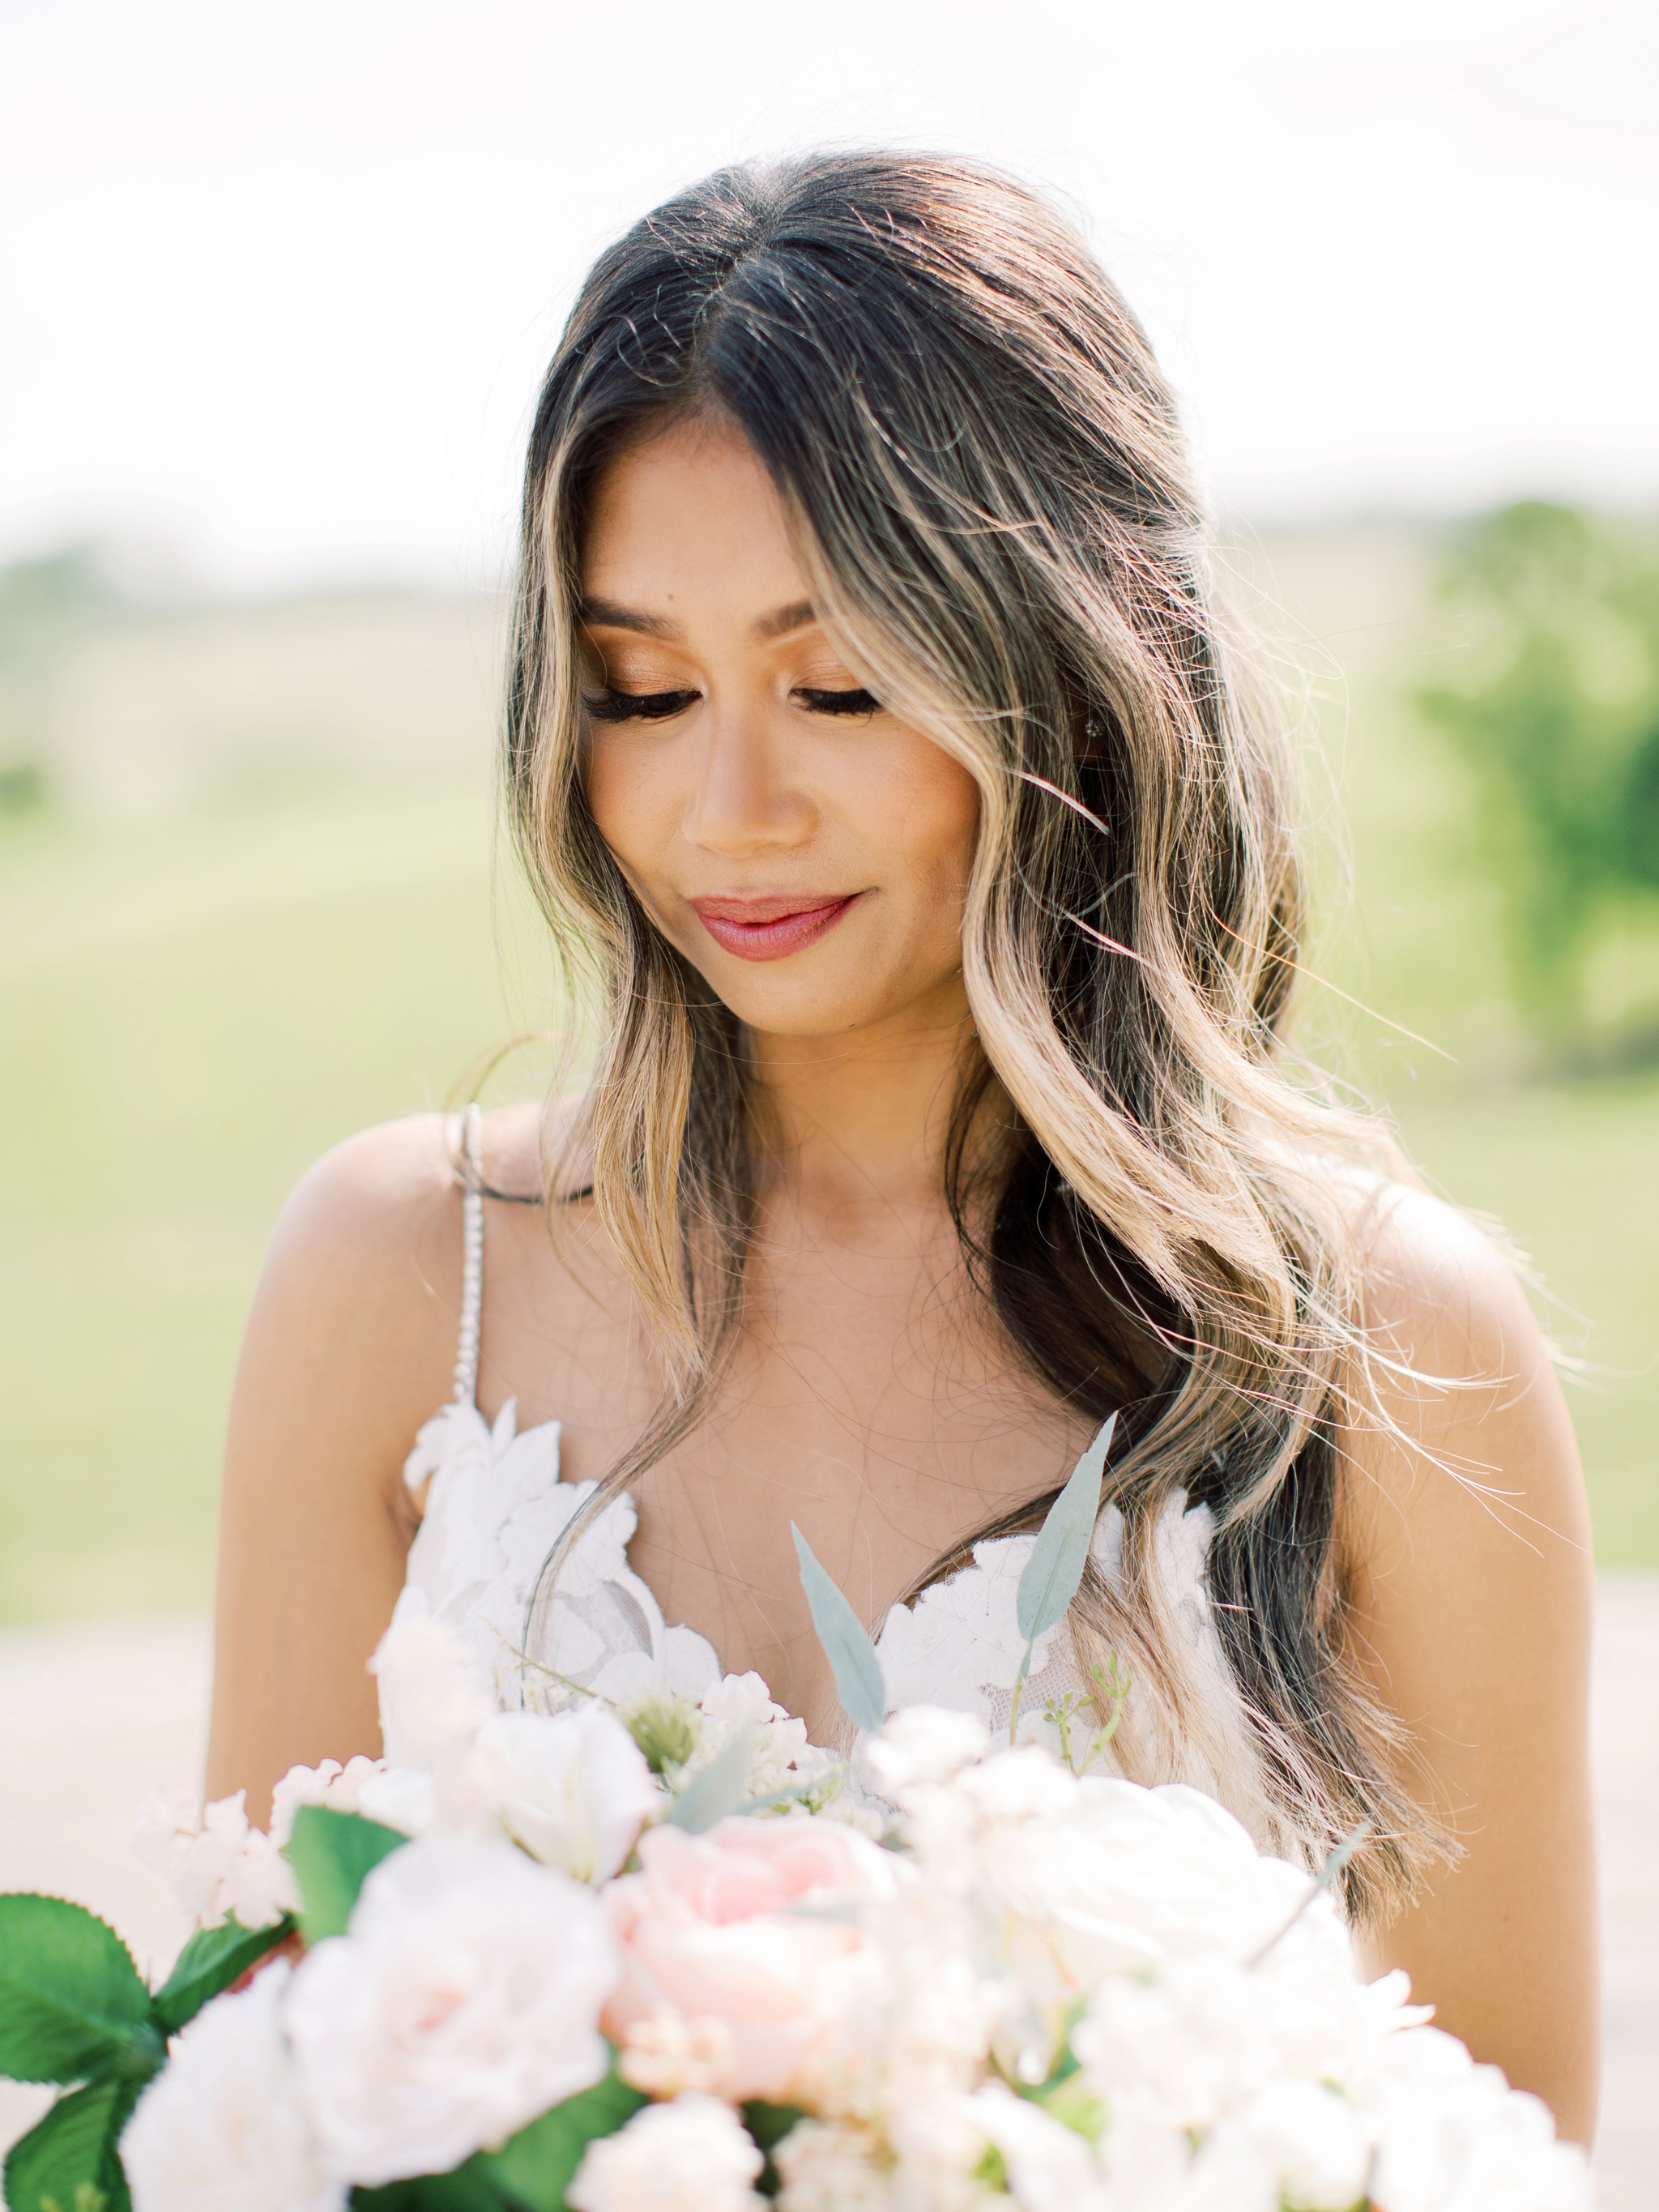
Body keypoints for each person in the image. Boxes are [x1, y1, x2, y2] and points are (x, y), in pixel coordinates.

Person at [205, 152, 1597, 2137]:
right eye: (644, 689)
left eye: (839, 681)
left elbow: (1503, 2156)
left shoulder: (1387, 1351)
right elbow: (255, 2081)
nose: (725, 807)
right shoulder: (396, 1279)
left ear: (1081, 681)